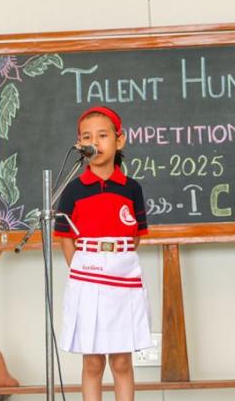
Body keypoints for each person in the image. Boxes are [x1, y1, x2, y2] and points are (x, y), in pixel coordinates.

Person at [54, 106, 151, 401]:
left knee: (121, 361)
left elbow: (135, 235)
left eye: (102, 135)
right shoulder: (73, 190)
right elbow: (65, 238)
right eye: (87, 137)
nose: (94, 142)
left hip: (122, 277)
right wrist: (84, 269)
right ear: (80, 144)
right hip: (88, 276)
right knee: (93, 362)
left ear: (119, 141)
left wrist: (114, 261)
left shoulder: (131, 189)